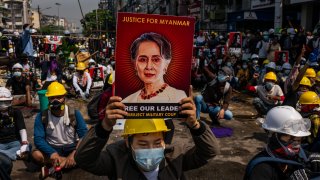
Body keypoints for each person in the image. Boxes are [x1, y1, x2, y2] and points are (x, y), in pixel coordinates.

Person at [75, 90, 220, 179]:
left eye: (157, 143)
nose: (151, 149)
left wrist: (196, 125)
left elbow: (210, 151)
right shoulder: (115, 159)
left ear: (164, 141)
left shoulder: (176, 157)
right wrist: (104, 126)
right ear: (128, 142)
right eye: (143, 144)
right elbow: (84, 159)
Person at [244, 106, 320, 180]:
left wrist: (314, 157)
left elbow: (306, 155)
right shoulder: (262, 169)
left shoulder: (300, 154)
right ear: (272, 135)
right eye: (289, 137)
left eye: (299, 139)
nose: (296, 144)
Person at [32, 82, 88, 176]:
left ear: (64, 97)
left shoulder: (74, 114)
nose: (55, 100)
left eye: (59, 97)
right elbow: (38, 139)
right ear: (48, 99)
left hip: (71, 147)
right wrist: (52, 153)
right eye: (52, 98)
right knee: (36, 155)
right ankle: (66, 163)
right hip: (52, 148)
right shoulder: (42, 116)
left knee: (89, 152)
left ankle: (57, 165)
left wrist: (74, 153)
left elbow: (84, 135)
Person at [122, 32, 187, 103]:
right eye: (143, 60)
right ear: (135, 64)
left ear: (166, 64)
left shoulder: (179, 98)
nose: (149, 67)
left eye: (156, 60)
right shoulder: (127, 102)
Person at [0, 87, 30, 179]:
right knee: (22, 152)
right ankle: (15, 155)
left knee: (27, 148)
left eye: (6, 102)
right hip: (0, 143)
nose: (3, 105)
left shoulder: (16, 112)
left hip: (14, 142)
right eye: (1, 102)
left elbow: (22, 128)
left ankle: (4, 155)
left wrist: (24, 142)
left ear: (11, 101)